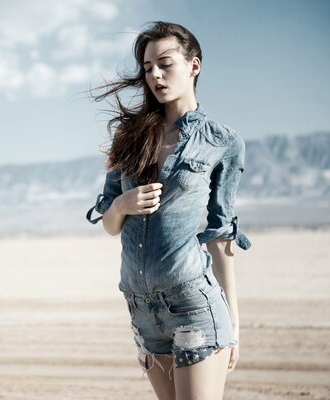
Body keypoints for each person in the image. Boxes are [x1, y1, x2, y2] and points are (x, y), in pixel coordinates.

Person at [85, 21, 252, 400]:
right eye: (147, 68)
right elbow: (111, 225)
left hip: (193, 305)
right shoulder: (130, 136)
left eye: (165, 63)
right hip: (142, 310)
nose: (155, 75)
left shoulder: (222, 142)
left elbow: (220, 234)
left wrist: (234, 326)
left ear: (194, 66)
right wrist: (122, 205)